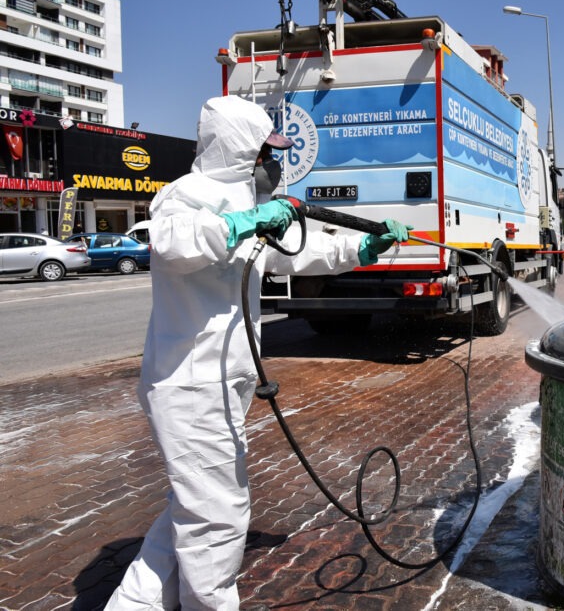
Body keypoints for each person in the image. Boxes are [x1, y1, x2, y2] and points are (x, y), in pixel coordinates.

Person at [105, 95, 410, 609]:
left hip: (223, 385)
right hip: (190, 384)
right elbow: (172, 244)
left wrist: (360, 249)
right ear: (237, 147)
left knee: (194, 505)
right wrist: (241, 224)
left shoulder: (246, 200)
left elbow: (293, 253)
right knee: (217, 516)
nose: (273, 162)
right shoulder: (185, 196)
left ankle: (134, 604)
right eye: (265, 151)